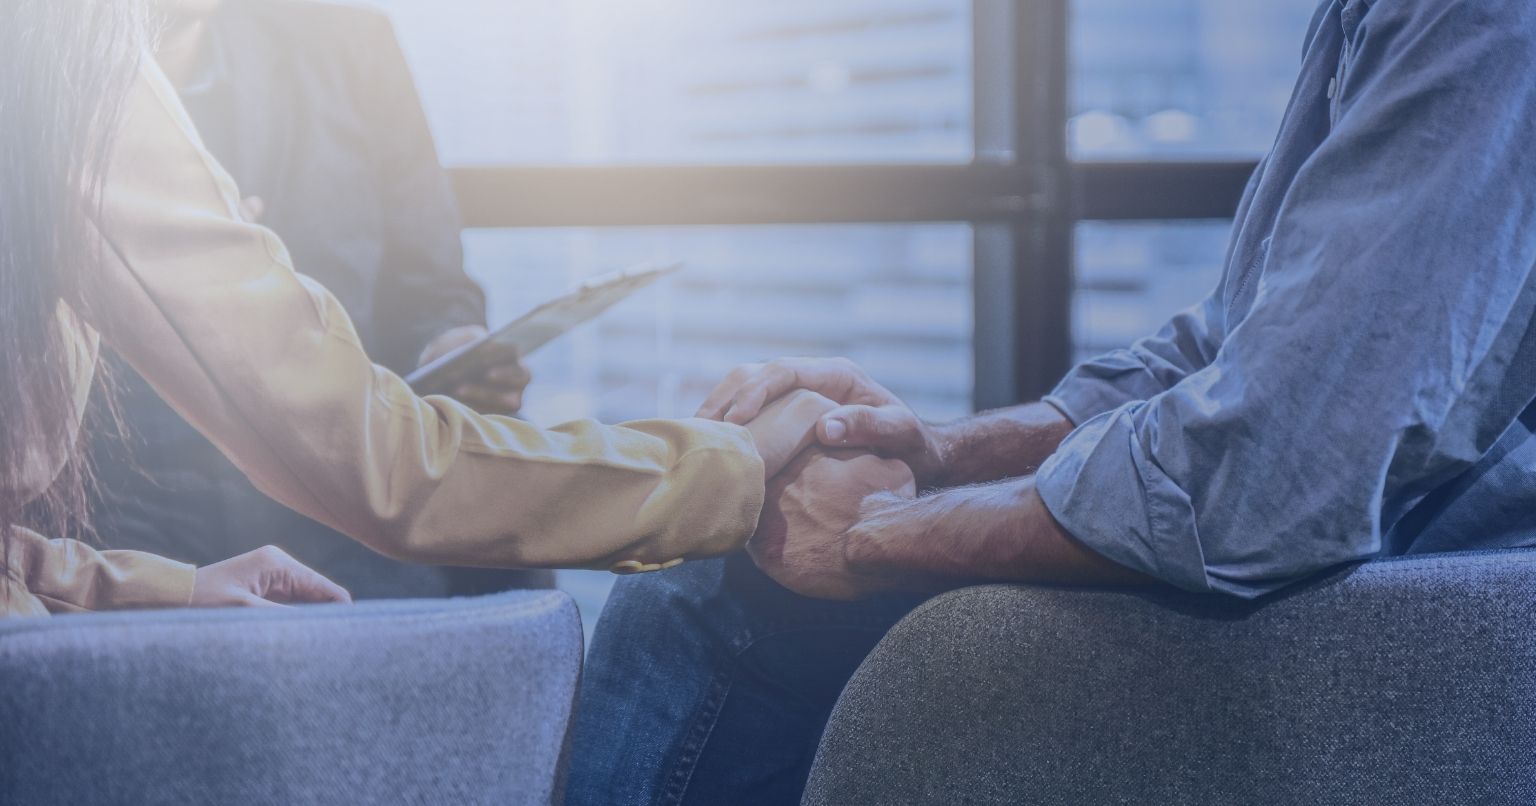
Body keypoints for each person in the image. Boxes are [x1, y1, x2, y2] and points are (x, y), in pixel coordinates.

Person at [567, 0, 1536, 802]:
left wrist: (874, 532)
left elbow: (1273, 465)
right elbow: (1229, 341)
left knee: (704, 598)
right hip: (1359, 543)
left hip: (1419, 600)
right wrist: (946, 451)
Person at [0, 0, 835, 618]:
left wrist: (153, 592)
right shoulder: (73, 68)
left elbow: (421, 259)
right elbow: (384, 468)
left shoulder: (328, 36)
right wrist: (730, 468)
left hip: (282, 528)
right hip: (172, 501)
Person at [90, 0, 537, 600]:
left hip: (339, 505)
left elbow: (431, 284)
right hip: (116, 509)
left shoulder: (349, 44)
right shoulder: (42, 74)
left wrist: (448, 344)